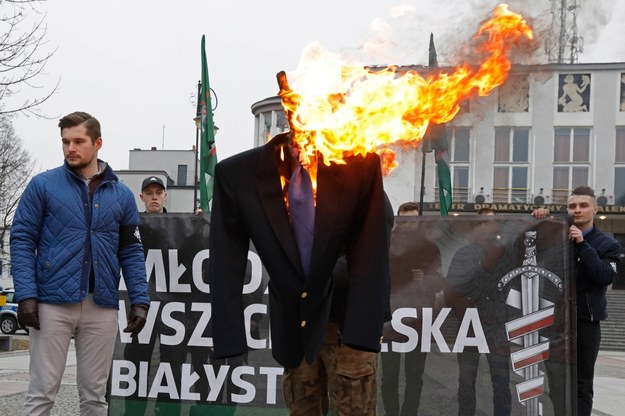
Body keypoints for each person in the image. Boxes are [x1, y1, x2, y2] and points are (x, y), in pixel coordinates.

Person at [209, 130, 390, 415]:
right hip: (296, 326)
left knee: (354, 408)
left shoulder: (356, 171)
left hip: (345, 323)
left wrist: (323, 280)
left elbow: (373, 248)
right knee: (303, 408)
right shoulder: (247, 175)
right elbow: (226, 257)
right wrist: (229, 333)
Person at [10, 111, 150, 416]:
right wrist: (26, 296)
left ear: (98, 143)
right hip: (50, 304)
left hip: (101, 306)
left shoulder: (123, 196)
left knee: (95, 398)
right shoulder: (42, 186)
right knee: (41, 394)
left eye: (78, 141)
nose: (70, 148)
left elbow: (131, 251)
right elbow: (21, 241)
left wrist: (140, 300)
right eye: (65, 142)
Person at [532, 186, 620, 416]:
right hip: (555, 322)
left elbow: (603, 276)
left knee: (582, 385)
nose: (577, 210)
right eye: (572, 206)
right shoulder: (554, 238)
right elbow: (521, 252)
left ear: (595, 209)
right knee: (557, 384)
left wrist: (582, 244)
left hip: (585, 323)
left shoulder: (608, 244)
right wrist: (535, 224)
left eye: (583, 205)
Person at [381, 202, 447, 416]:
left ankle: (409, 413)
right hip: (390, 317)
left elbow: (439, 284)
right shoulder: (386, 244)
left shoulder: (428, 247)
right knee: (389, 374)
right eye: (405, 220)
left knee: (414, 374)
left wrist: (425, 280)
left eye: (413, 220)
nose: (409, 224)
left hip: (418, 319)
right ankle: (391, 413)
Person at [446, 207, 513, 416]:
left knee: (501, 382)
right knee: (466, 382)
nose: (487, 226)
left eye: (491, 222)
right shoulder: (464, 253)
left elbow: (513, 284)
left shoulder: (507, 253)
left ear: (498, 226)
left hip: (498, 326)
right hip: (470, 324)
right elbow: (454, 288)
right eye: (482, 222)